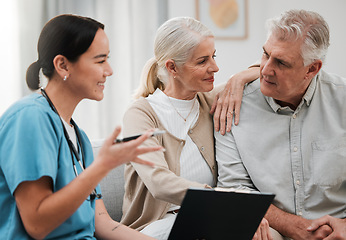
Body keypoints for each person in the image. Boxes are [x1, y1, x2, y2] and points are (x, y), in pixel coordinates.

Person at [0, 14, 162, 239]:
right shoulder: (30, 118)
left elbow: (102, 223)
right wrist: (101, 168)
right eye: (100, 60)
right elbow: (37, 224)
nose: (109, 70)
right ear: (63, 65)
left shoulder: (79, 137)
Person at [120, 16, 269, 240]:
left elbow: (268, 70)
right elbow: (159, 182)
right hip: (155, 227)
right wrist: (224, 202)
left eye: (214, 56)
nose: (215, 67)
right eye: (202, 61)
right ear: (172, 67)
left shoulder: (211, 100)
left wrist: (238, 78)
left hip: (208, 217)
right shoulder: (140, 114)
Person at [215, 9, 346, 240]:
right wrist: (297, 228)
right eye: (265, 54)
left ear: (312, 69)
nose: (264, 70)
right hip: (270, 230)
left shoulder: (342, 100)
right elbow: (234, 188)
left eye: (281, 62)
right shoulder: (233, 105)